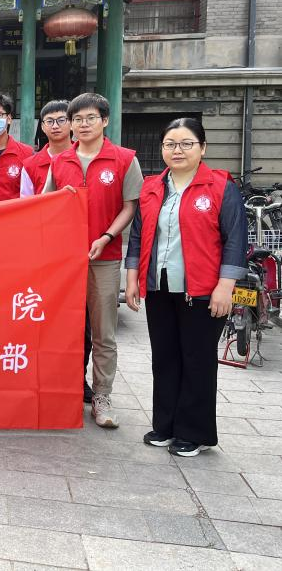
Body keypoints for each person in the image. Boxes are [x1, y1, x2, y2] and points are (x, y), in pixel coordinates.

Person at [125, 118, 246, 457]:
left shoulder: (220, 187)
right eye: (170, 144)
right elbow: (137, 236)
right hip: (160, 287)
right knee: (165, 358)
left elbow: (235, 239)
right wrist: (132, 277)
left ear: (202, 148)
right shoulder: (152, 187)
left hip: (203, 289)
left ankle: (194, 433)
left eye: (186, 143)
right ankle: (165, 425)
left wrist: (225, 286)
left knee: (197, 359)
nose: (177, 150)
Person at [44, 93, 143, 429]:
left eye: (90, 118)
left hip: (105, 258)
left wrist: (107, 237)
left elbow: (130, 206)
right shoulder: (60, 162)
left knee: (103, 333)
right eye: (77, 119)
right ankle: (67, 390)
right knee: (64, 329)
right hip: (65, 261)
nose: (83, 125)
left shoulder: (124, 159)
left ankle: (102, 396)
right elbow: (44, 205)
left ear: (105, 120)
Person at [20, 100, 72, 198]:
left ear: (72, 123)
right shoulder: (30, 165)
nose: (55, 126)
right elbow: (27, 202)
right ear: (42, 127)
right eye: (49, 121)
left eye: (61, 120)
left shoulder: (84, 158)